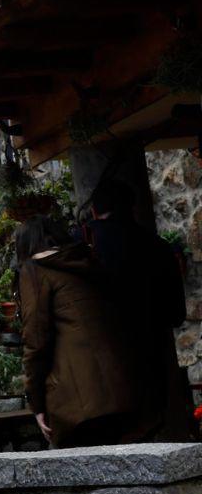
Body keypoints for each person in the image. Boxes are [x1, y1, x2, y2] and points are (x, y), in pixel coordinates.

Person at [16, 215, 136, 447]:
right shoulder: (86, 262)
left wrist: (37, 404)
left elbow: (36, 339)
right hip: (120, 388)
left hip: (77, 398)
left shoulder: (35, 271)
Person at [86, 181, 192, 441]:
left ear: (94, 211)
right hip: (152, 354)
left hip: (101, 360)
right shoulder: (159, 248)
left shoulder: (86, 249)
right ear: (132, 208)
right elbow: (176, 313)